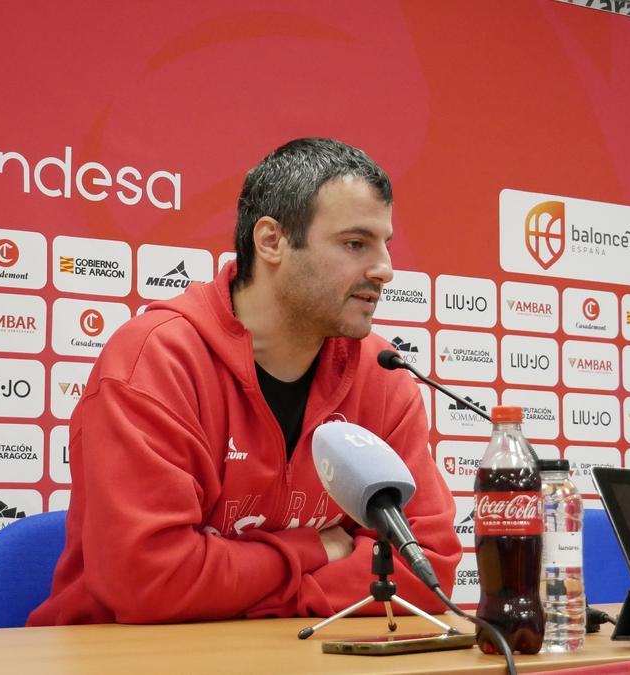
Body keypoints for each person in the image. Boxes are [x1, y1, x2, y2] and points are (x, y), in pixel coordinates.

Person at [28, 138, 459, 625]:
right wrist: (316, 549)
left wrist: (278, 594)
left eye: (385, 244)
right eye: (355, 243)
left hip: (292, 652)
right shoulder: (156, 360)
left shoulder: (382, 372)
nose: (385, 269)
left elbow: (428, 562)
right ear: (272, 241)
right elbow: (150, 581)